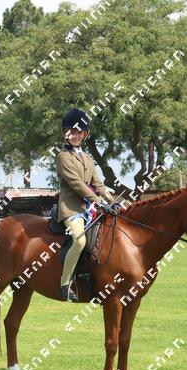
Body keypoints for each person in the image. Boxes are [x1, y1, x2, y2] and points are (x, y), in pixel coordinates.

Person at [55, 108, 117, 302]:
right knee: (80, 241)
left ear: (85, 134)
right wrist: (98, 201)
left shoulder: (88, 158)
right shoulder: (63, 157)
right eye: (71, 132)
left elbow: (98, 184)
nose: (75, 135)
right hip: (71, 208)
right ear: (65, 133)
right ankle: (65, 284)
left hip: (89, 208)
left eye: (79, 132)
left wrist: (113, 202)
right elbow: (77, 184)